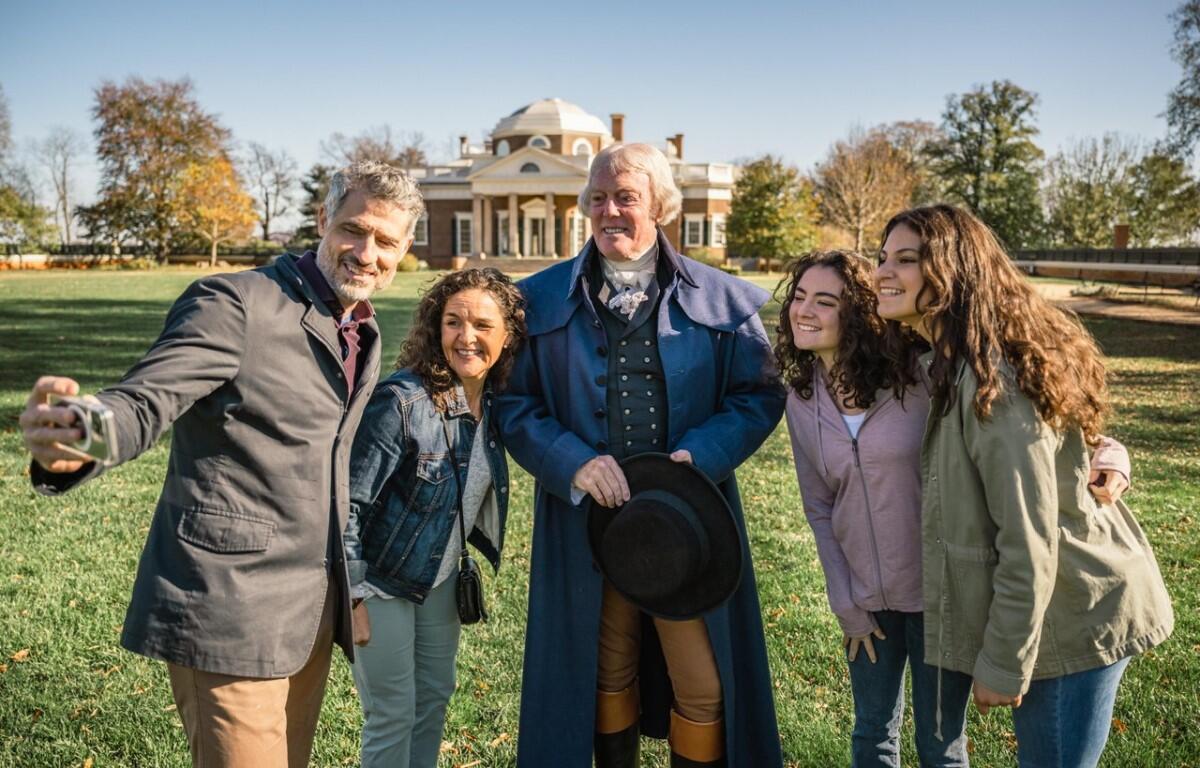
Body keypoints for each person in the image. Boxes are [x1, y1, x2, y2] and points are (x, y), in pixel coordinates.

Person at [19, 161, 423, 767]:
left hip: (311, 612)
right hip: (228, 605)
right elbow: (146, 398)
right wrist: (84, 434)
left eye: (386, 241)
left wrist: (350, 587)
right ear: (322, 221)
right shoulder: (235, 303)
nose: (367, 253)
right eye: (353, 230)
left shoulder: (361, 327)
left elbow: (334, 470)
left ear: (405, 248)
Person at [776, 250, 1133, 767]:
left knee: (941, 745)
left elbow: (1044, 429)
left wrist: (1112, 456)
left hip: (941, 596)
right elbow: (818, 507)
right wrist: (844, 600)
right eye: (800, 297)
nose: (803, 310)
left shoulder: (919, 378)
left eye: (824, 301)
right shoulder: (800, 398)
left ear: (856, 312)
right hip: (868, 603)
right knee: (871, 733)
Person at [495, 143, 786, 768]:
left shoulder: (723, 301)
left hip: (689, 523)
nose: (609, 211)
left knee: (705, 685)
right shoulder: (535, 300)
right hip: (584, 526)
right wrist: (571, 460)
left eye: (625, 196)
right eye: (597, 198)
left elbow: (758, 395)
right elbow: (513, 405)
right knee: (599, 674)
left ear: (660, 204)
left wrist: (701, 458)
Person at [874, 204, 1173, 768]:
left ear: (954, 272)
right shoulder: (954, 360)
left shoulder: (996, 381)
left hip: (1073, 611)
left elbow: (1030, 539)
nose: (883, 271)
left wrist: (1004, 663)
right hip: (1053, 605)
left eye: (906, 260)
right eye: (882, 258)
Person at [342, 268, 526, 768]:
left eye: (483, 325)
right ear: (434, 327)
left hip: (440, 577)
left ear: (507, 335)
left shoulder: (496, 404)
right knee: (392, 712)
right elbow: (348, 503)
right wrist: (352, 594)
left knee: (434, 700)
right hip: (379, 582)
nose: (467, 337)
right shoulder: (401, 402)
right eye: (453, 322)